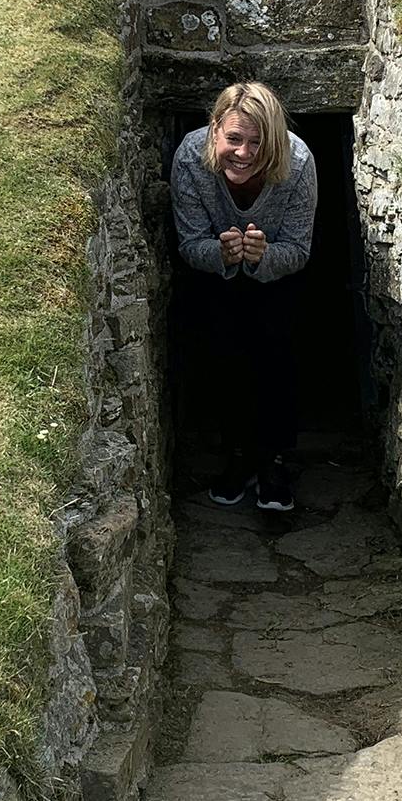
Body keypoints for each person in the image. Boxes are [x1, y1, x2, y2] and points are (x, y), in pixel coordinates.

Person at [171, 81, 317, 511]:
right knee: (223, 351)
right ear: (215, 128)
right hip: (217, 275)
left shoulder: (300, 161)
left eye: (257, 142)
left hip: (277, 276)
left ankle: (273, 458)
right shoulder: (190, 158)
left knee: (278, 351)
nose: (244, 152)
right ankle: (236, 453)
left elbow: (300, 247)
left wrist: (262, 257)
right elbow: (189, 240)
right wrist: (220, 253)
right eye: (233, 138)